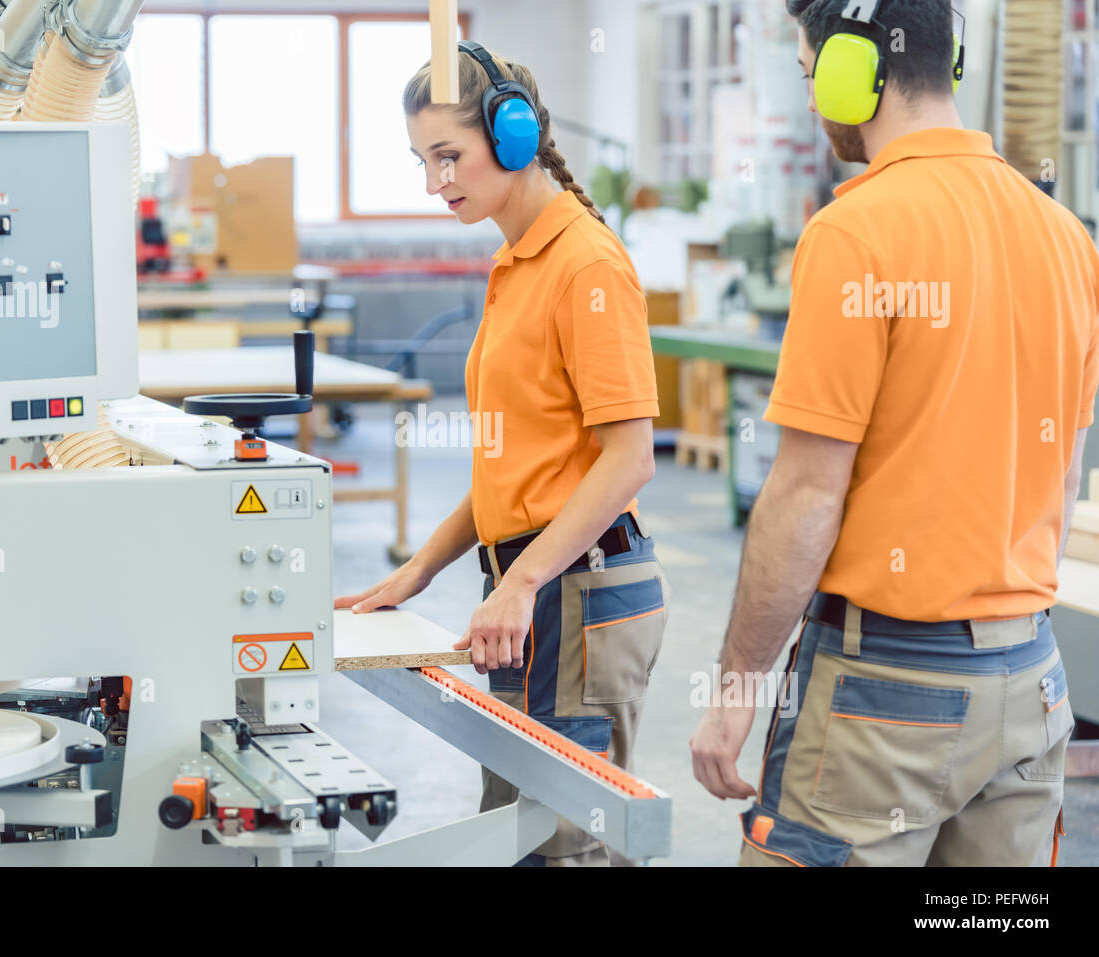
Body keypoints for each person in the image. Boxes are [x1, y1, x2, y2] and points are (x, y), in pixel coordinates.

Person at [690, 0, 1097, 866]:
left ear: (849, 67)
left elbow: (805, 495)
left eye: (810, 75)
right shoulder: (1068, 239)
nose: (811, 100)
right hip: (1032, 680)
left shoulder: (855, 231)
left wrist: (735, 689)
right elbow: (1060, 476)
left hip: (885, 697)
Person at [335, 40, 668, 866]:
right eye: (421, 161)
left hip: (577, 588)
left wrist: (520, 581)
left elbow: (628, 458)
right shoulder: (516, 263)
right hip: (535, 586)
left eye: (448, 156)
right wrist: (419, 571)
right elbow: (508, 466)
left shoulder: (585, 264)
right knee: (519, 832)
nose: (434, 181)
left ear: (513, 136)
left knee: (564, 844)